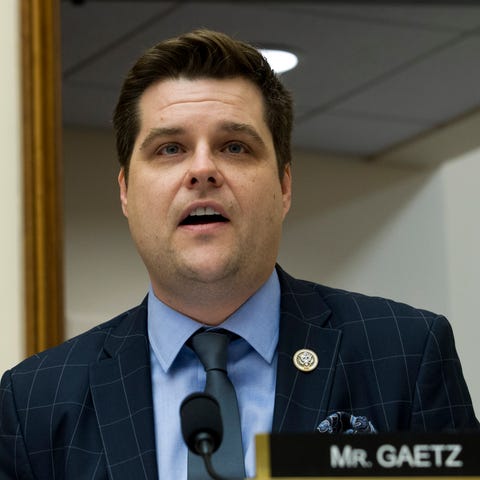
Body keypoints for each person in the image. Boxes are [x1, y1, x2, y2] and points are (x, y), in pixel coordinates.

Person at [0, 29, 478, 480]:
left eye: (234, 146)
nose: (202, 169)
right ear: (126, 192)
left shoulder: (405, 356)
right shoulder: (36, 400)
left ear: (284, 186)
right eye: (170, 148)